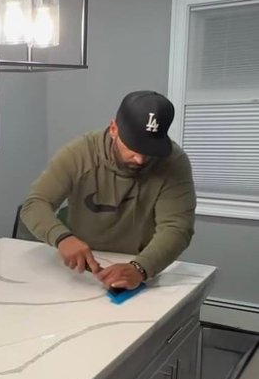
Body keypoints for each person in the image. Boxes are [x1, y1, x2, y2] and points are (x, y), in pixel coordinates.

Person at [21, 90, 196, 290]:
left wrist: (141, 268)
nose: (140, 159)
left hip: (141, 266)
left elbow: (177, 227)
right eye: (133, 146)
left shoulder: (174, 162)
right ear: (113, 128)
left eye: (149, 150)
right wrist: (62, 238)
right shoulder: (80, 153)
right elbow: (35, 204)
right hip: (81, 266)